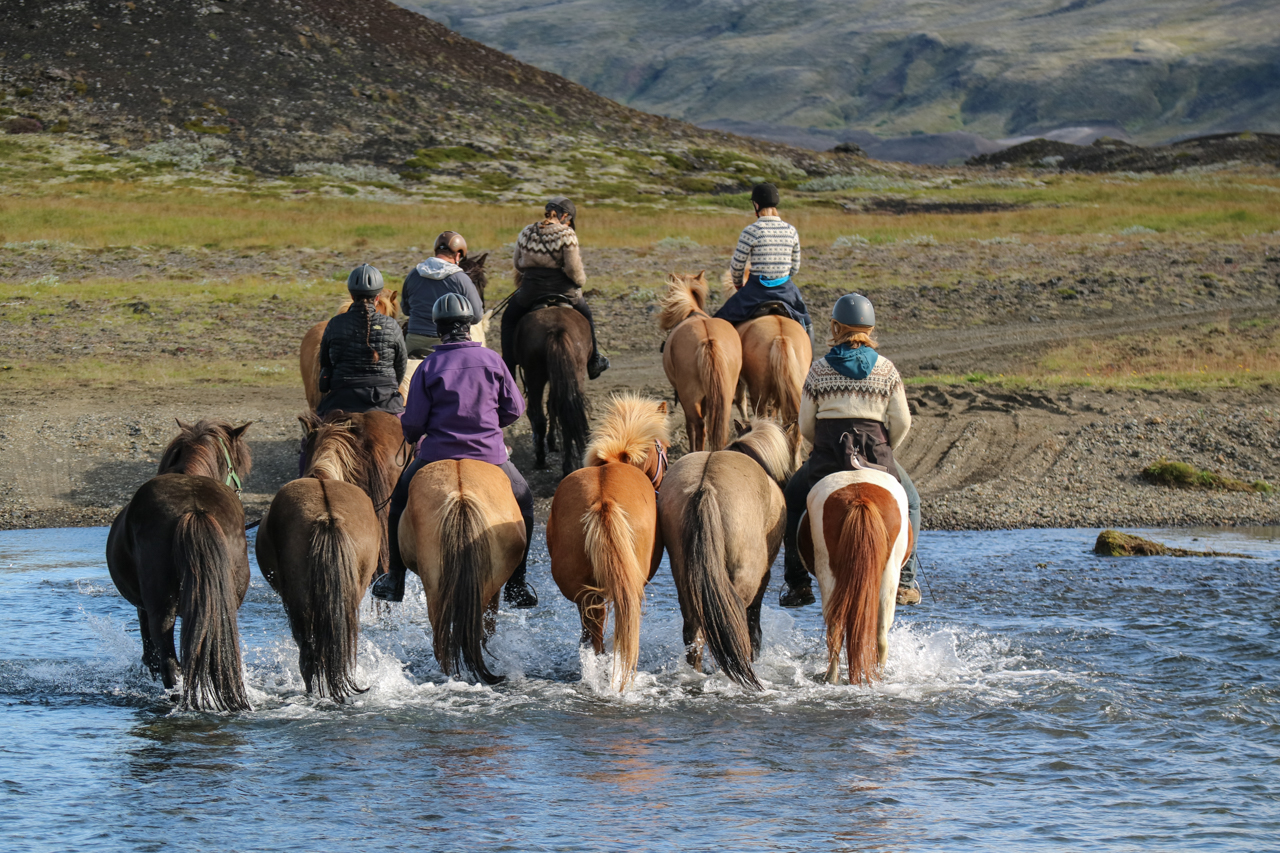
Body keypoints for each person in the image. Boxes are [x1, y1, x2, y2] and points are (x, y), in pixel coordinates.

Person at [372, 293, 539, 608]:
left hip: (436, 455)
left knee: (398, 500)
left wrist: (409, 428)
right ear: (469, 325)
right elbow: (515, 409)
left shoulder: (429, 366)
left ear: (439, 328)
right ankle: (517, 584)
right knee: (525, 499)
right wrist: (489, 423)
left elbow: (416, 422)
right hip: (492, 455)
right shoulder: (492, 360)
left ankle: (395, 578)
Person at [778, 293, 923, 608]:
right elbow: (903, 421)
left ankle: (798, 582)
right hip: (876, 457)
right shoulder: (886, 370)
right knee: (911, 501)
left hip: (827, 459)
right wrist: (885, 450)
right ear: (869, 329)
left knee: (790, 499)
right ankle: (906, 581)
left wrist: (821, 447)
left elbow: (805, 425)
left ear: (835, 327)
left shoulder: (818, 370)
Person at [500, 196, 609, 379]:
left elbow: (518, 264)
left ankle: (508, 366)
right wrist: (580, 282)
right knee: (587, 317)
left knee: (508, 320)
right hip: (565, 290)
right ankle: (594, 361)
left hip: (531, 290)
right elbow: (573, 269)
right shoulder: (567, 235)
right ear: (565, 216)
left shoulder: (527, 232)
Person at [714, 182, 812, 334]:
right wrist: (781, 277)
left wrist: (739, 286)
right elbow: (795, 267)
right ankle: (810, 357)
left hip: (756, 291)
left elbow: (737, 267)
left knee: (719, 321)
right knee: (807, 322)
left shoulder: (751, 231)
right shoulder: (791, 231)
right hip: (786, 290)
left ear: (756, 205)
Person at [316, 264, 408, 418]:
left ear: (352, 296)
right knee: (412, 437)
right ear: (378, 297)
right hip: (384, 400)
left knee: (313, 436)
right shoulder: (391, 325)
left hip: (342, 400)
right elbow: (400, 365)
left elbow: (325, 363)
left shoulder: (335, 324)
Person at [401, 231, 484, 357]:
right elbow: (477, 316)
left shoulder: (413, 274)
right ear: (457, 256)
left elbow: (406, 310)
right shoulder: (461, 279)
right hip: (447, 341)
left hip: (415, 339)